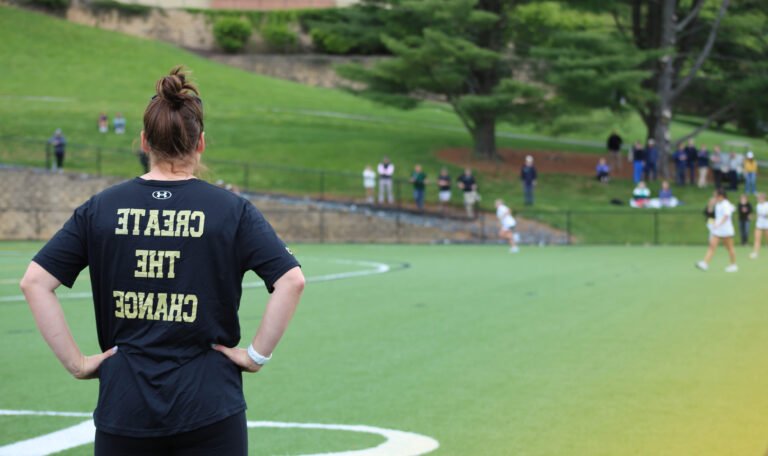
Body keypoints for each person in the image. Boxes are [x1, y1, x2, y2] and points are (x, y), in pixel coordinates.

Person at [20, 67, 305, 456]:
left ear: (144, 142)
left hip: (125, 405)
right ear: (201, 143)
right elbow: (292, 280)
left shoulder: (101, 208)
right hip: (211, 404)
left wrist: (77, 364)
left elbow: (34, 282)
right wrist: (255, 356)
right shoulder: (231, 209)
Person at [696, 188, 738, 272]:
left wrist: (718, 224)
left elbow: (726, 216)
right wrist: (715, 223)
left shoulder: (726, 204)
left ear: (721, 196)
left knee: (729, 248)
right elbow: (711, 214)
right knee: (712, 246)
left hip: (726, 230)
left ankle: (733, 265)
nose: (714, 197)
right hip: (718, 230)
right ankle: (705, 264)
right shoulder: (718, 204)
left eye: (715, 195)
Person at [750, 193, 768, 259]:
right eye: (758, 198)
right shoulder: (758, 205)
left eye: (760, 198)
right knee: (757, 239)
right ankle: (755, 253)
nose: (758, 199)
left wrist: (765, 215)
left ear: (763, 198)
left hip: (766, 225)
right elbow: (758, 215)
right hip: (759, 224)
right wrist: (753, 217)